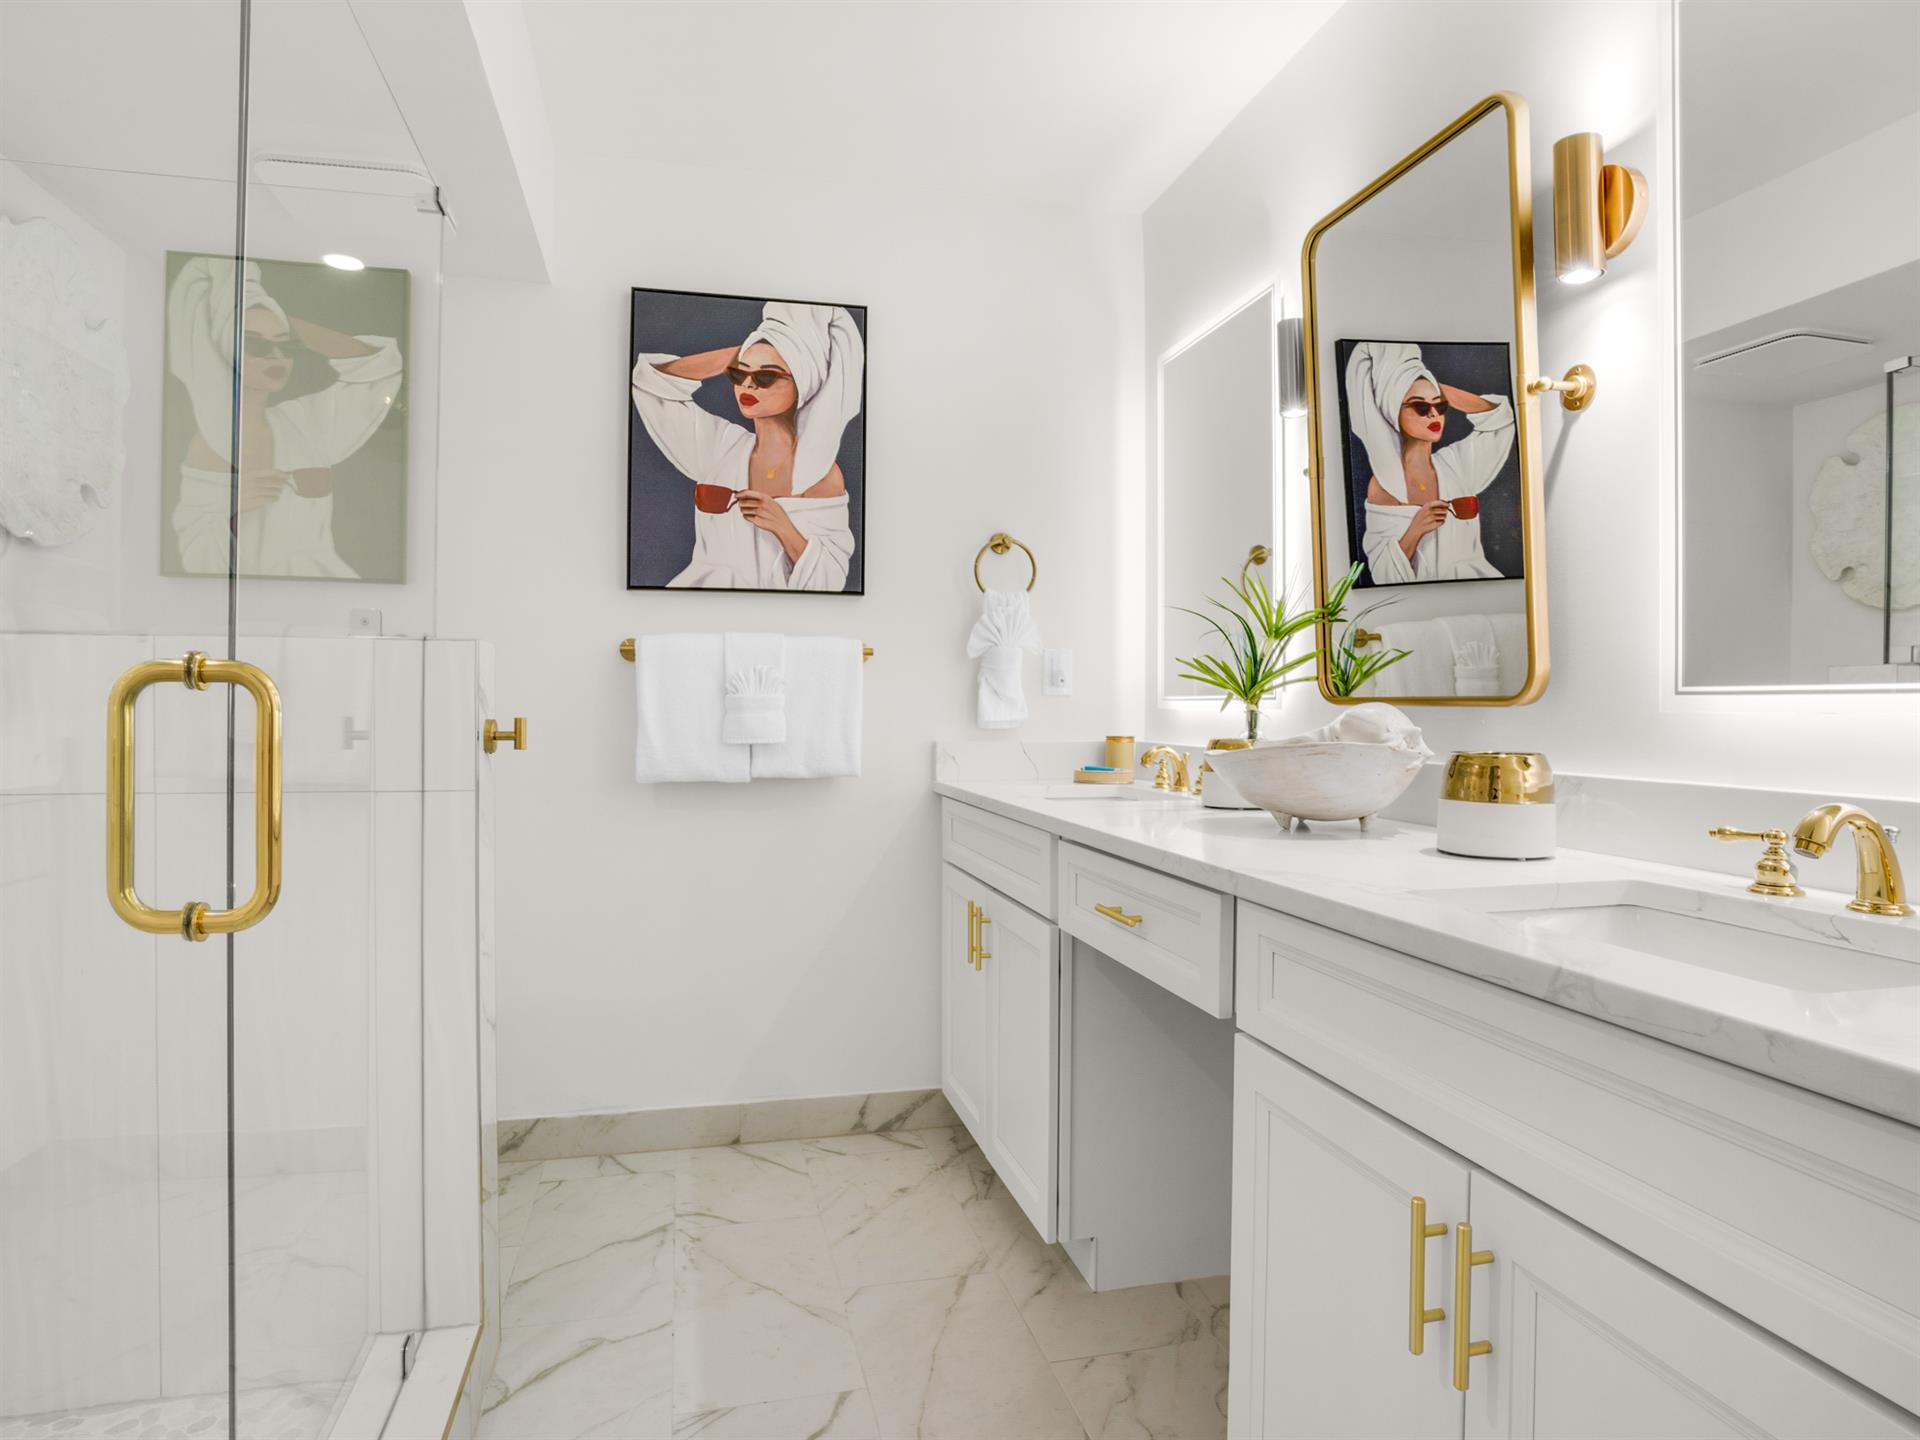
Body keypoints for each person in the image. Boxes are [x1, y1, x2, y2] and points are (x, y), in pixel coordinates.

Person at [167, 256, 403, 578]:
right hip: (259, 606)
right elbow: (195, 554)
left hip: (332, 592)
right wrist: (229, 509)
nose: (277, 356)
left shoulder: (304, 423)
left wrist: (288, 324)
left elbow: (378, 372)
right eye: (255, 344)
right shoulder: (210, 445)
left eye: (286, 346)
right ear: (224, 347)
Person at [630, 300, 862, 590]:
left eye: (766, 376)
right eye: (739, 374)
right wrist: (737, 354)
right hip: (692, 604)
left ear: (804, 382)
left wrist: (781, 525)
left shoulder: (821, 473)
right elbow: (651, 384)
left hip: (775, 618)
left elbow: (830, 578)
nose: (747, 385)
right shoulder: (721, 446)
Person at [1345, 340, 1514, 584]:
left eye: (1440, 405)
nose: (1434, 414)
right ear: (1392, 410)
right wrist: (1416, 529)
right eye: (1420, 407)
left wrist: (1435, 388)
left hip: (1482, 588)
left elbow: (1502, 421)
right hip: (1426, 599)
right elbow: (1383, 572)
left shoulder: (1456, 464)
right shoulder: (1385, 484)